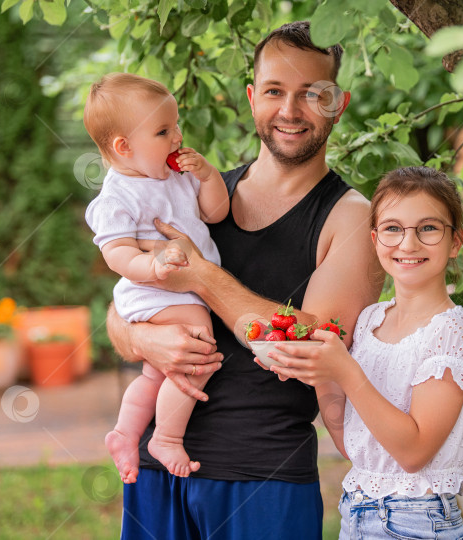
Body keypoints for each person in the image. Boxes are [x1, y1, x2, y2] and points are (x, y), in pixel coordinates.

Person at [106, 22, 384, 540]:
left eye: (312, 94)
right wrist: (145, 338)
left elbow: (315, 346)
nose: (290, 110)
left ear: (339, 103)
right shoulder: (196, 193)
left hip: (262, 480)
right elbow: (122, 309)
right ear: (253, 98)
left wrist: (204, 277)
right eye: (275, 91)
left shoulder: (350, 220)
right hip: (154, 467)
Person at [268, 167, 463, 539]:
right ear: (374, 239)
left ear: (456, 242)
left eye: (428, 228)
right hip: (357, 511)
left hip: (418, 522)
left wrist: (346, 371)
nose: (408, 244)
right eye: (392, 228)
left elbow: (414, 453)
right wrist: (317, 370)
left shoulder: (454, 331)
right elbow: (353, 443)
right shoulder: (371, 319)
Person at [83, 73, 230, 483]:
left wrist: (207, 176)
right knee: (198, 345)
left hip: (177, 288)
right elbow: (118, 254)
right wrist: (153, 266)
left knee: (155, 373)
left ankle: (125, 433)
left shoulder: (178, 176)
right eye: (163, 131)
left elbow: (216, 213)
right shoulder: (117, 198)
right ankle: (166, 436)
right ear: (123, 147)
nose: (177, 136)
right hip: (152, 291)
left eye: (176, 125)